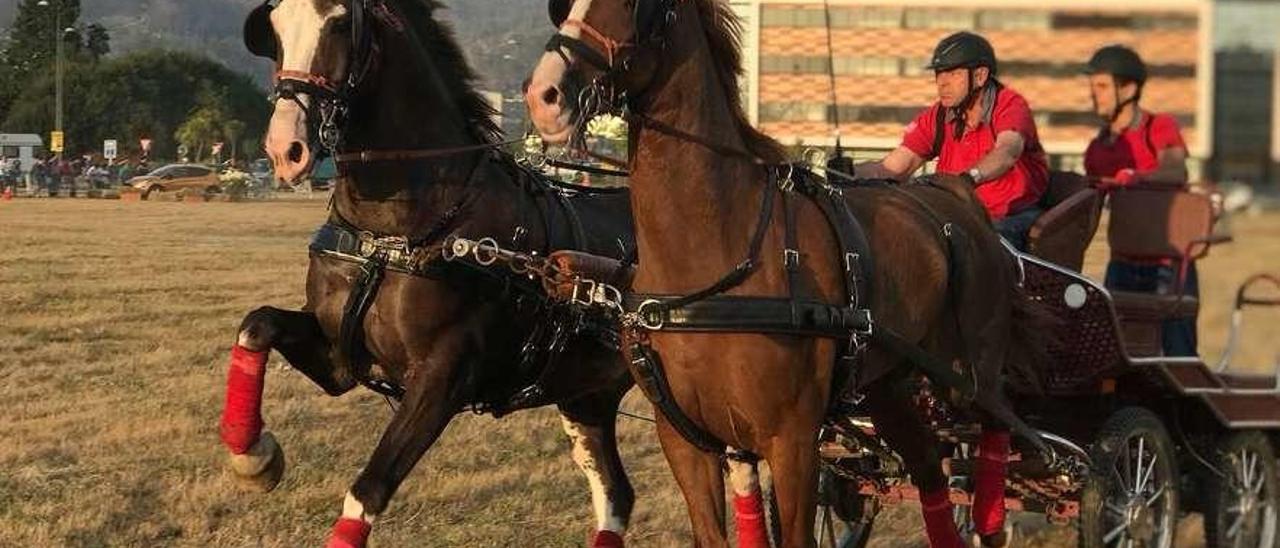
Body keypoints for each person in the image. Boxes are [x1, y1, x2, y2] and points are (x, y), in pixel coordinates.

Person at [854, 31, 1049, 252]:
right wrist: (845, 170)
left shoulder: (1009, 104)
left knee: (979, 249)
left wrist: (967, 179)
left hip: (1009, 217)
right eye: (939, 73)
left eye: (953, 73)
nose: (942, 83)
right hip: (956, 216)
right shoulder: (937, 116)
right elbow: (895, 166)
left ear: (980, 76)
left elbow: (1007, 152)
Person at [1083, 45, 1196, 356]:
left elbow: (1176, 170)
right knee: (1117, 353)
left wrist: (1133, 178)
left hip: (1168, 263)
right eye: (1092, 87)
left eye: (1102, 87)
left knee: (1177, 354)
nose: (1095, 95)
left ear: (1129, 88)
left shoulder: (1158, 128)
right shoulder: (1097, 149)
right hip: (1122, 262)